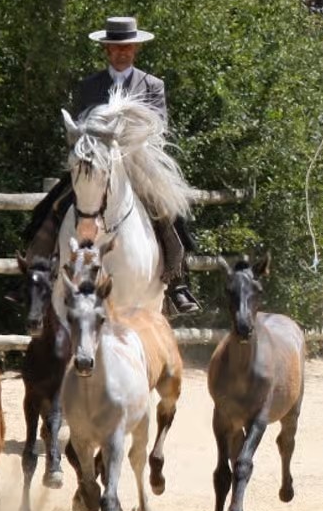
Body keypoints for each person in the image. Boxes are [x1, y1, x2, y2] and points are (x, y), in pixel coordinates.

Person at [23, 16, 200, 315]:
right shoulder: (88, 86)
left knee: (171, 213)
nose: (122, 53)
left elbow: (159, 129)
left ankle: (178, 282)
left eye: (127, 47)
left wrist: (128, 148)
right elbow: (79, 128)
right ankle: (36, 276)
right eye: (116, 48)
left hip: (137, 163)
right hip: (95, 163)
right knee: (50, 206)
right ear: (106, 49)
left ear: (135, 49)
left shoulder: (152, 85)